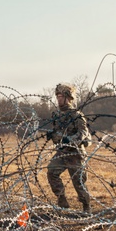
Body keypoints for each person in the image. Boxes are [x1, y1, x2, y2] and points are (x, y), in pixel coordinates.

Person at [43, 83, 93, 212]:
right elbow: (57, 133)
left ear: (68, 98)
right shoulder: (56, 115)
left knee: (79, 183)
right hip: (62, 152)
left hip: (76, 153)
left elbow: (83, 134)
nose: (59, 99)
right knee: (51, 172)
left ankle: (86, 207)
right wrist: (52, 135)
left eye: (61, 97)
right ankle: (62, 201)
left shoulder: (76, 115)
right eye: (57, 96)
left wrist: (69, 140)